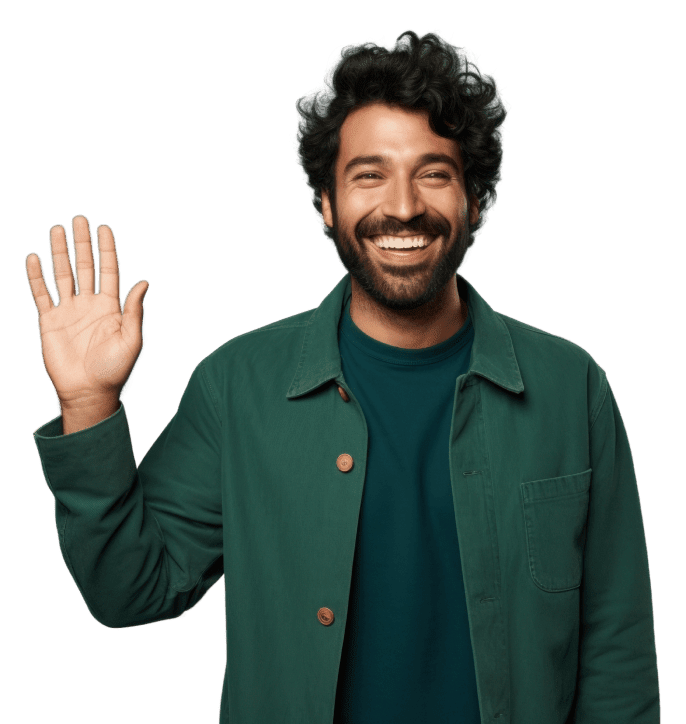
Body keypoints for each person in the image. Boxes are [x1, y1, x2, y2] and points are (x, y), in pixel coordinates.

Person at [26, 30, 660, 724]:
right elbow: (128, 591)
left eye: (434, 173)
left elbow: (618, 658)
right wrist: (89, 404)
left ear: (476, 201)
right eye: (369, 174)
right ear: (326, 204)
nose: (403, 205)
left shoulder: (573, 389)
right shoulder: (236, 387)